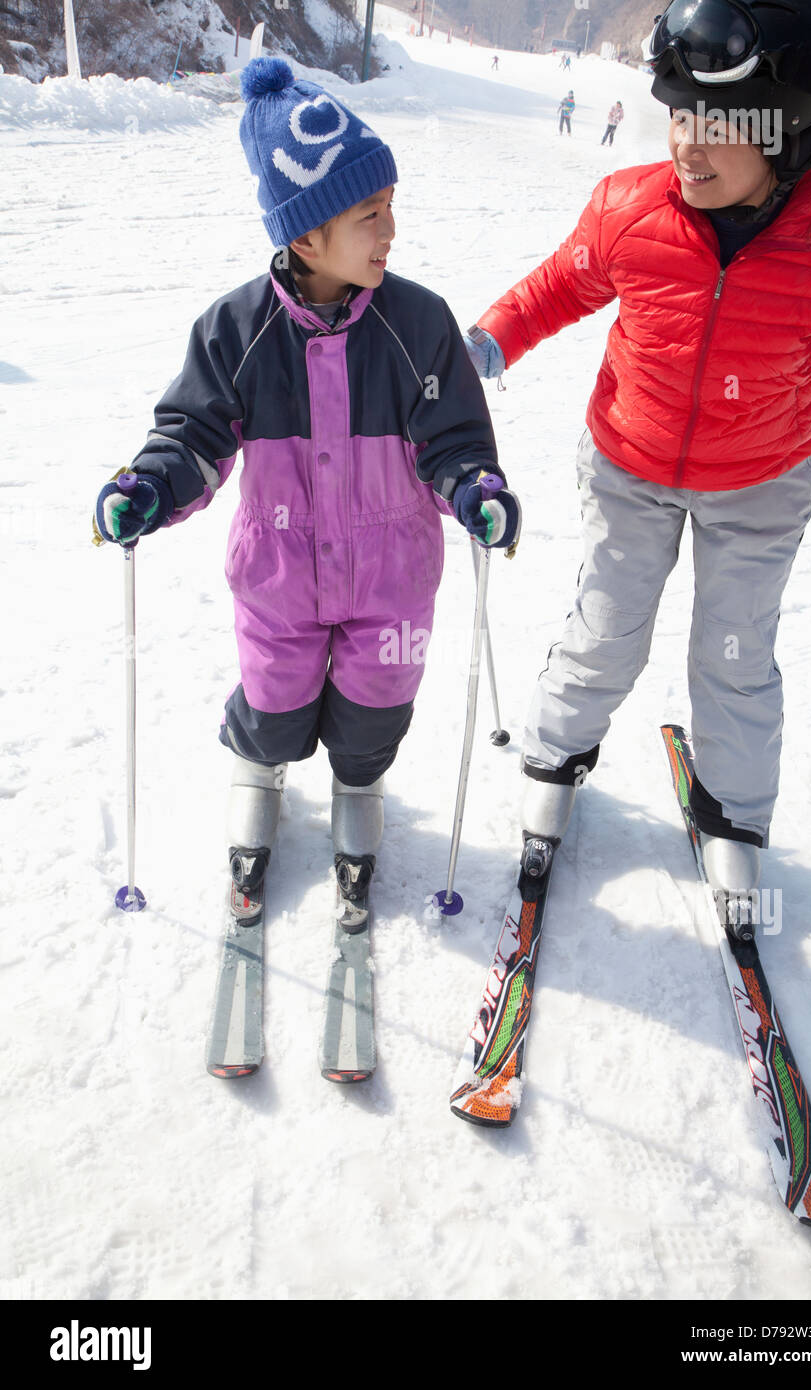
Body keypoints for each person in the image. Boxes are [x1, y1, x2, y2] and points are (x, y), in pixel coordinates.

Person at [462, 0, 811, 931]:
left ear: (797, 134)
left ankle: (733, 813)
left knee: (733, 653)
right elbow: (562, 282)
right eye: (679, 114)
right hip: (630, 462)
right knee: (607, 627)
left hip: (761, 484)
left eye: (721, 126)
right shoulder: (631, 207)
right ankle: (555, 757)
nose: (688, 144)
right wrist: (492, 338)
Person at [93, 58, 520, 907]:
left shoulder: (419, 323)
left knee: (376, 706)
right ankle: (258, 770)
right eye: (369, 214)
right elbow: (195, 433)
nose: (390, 231)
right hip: (280, 578)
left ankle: (359, 790)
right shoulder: (235, 330)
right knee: (275, 702)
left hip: (391, 578)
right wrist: (149, 485)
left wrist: (475, 486)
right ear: (304, 235)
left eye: (391, 206)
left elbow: (455, 438)